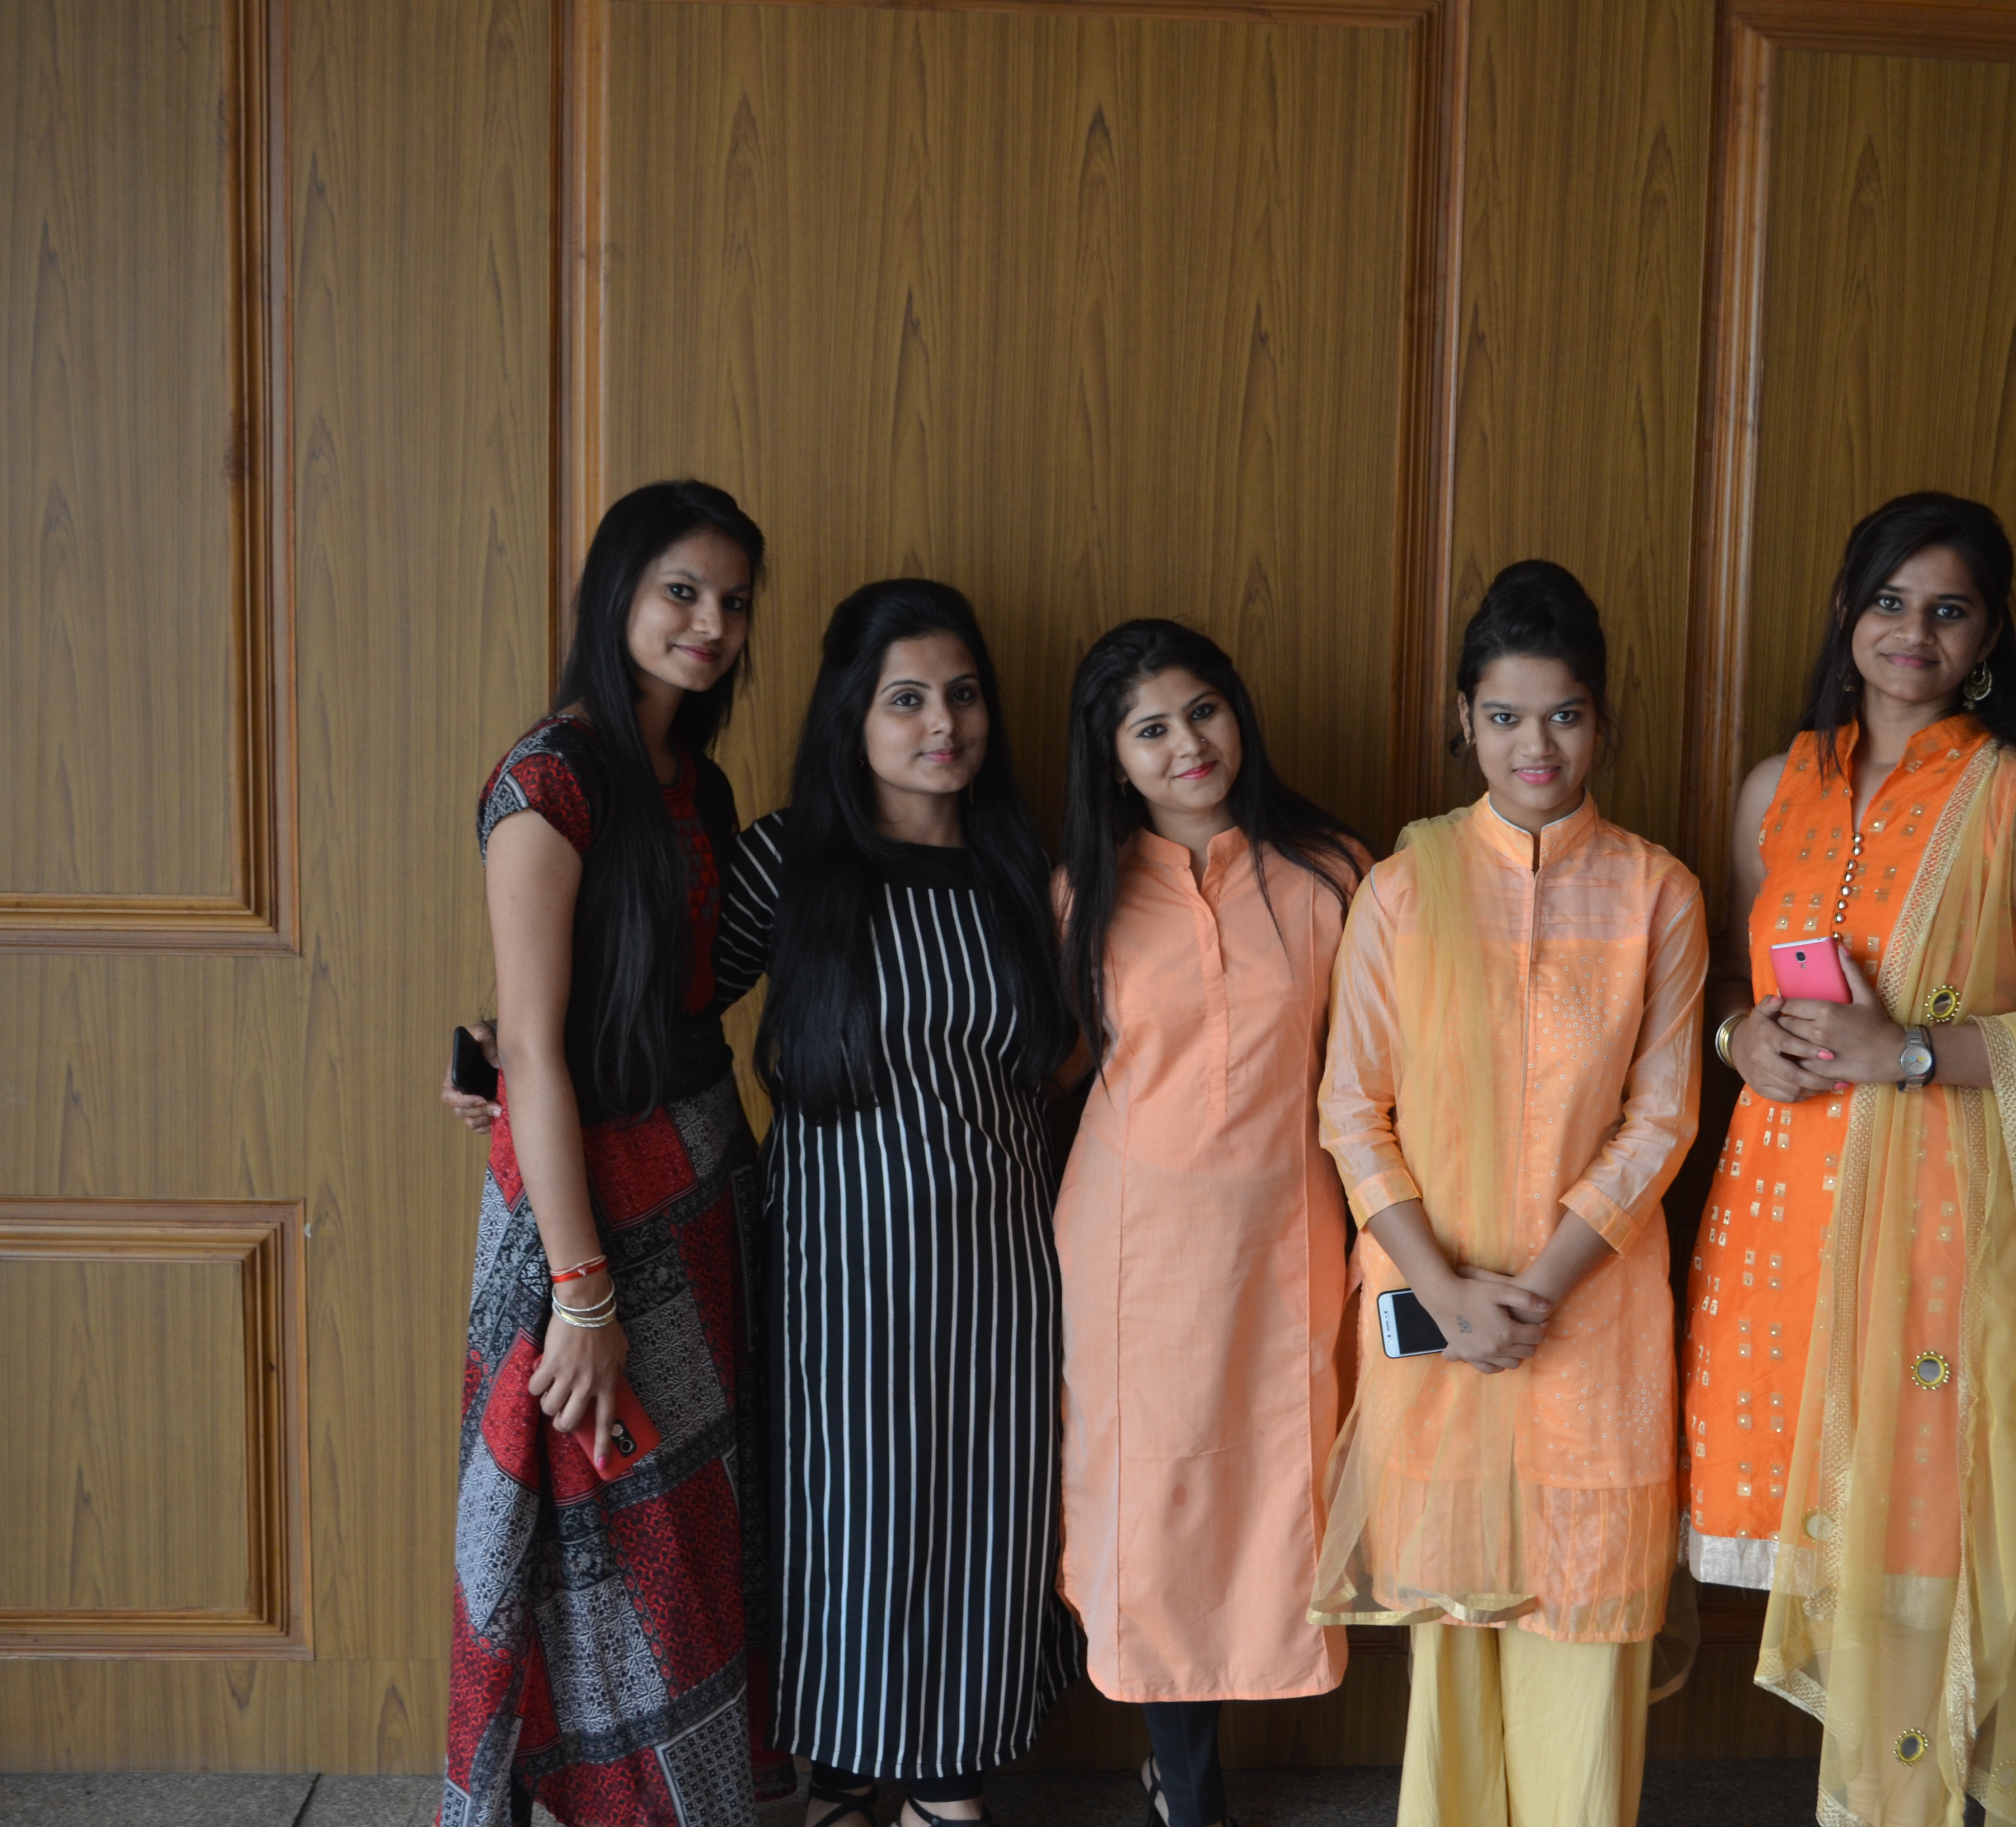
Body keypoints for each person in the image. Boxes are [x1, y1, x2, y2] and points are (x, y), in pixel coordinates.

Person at [1682, 492, 2016, 1827]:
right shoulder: (1777, 788)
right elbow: (1736, 975)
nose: (1913, 632)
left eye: (1949, 610)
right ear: (1847, 611)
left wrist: (1910, 1054)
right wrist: (1736, 1037)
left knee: (1913, 1558)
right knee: (1825, 1536)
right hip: (1781, 1218)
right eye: (1889, 601)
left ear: (1989, 636)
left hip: (1938, 1223)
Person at [1310, 562, 1704, 1827]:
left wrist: (1533, 1293)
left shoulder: (1656, 893)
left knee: (1585, 1641)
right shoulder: (1403, 889)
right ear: (1465, 721)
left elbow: (1661, 1120)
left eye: (1565, 715)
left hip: (1591, 1319)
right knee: (1458, 1641)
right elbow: (1351, 1113)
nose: (1537, 747)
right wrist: (1447, 1293)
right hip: (1436, 1319)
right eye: (1505, 717)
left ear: (1602, 720)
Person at [442, 480, 791, 1827]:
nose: (711, 624)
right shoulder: (549, 781)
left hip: (703, 1180)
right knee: (591, 1532)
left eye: (733, 602)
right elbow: (537, 1051)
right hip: (583, 1203)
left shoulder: (696, 780)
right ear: (617, 596)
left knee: (693, 1528)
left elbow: (652, 993)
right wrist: (581, 1298)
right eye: (680, 592)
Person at [716, 580, 1080, 1827]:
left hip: (1004, 1261)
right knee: (852, 1517)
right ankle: (843, 1772)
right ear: (852, 716)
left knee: (989, 1513)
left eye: (963, 696)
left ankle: (947, 1783)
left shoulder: (1026, 870)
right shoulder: (786, 862)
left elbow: (1077, 1053)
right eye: (908, 699)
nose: (944, 724)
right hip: (837, 1263)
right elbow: (663, 1007)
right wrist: (511, 1047)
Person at [1052, 621, 1371, 1827]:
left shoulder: (1335, 874)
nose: (1186, 744)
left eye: (1202, 711)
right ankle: (1187, 1786)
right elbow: (1049, 1068)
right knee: (1152, 1508)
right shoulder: (1080, 892)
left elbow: (1378, 1065)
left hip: (1289, 1236)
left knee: (1268, 1494)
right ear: (1112, 757)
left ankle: (1191, 1771)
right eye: (1150, 729)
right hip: (1131, 1249)